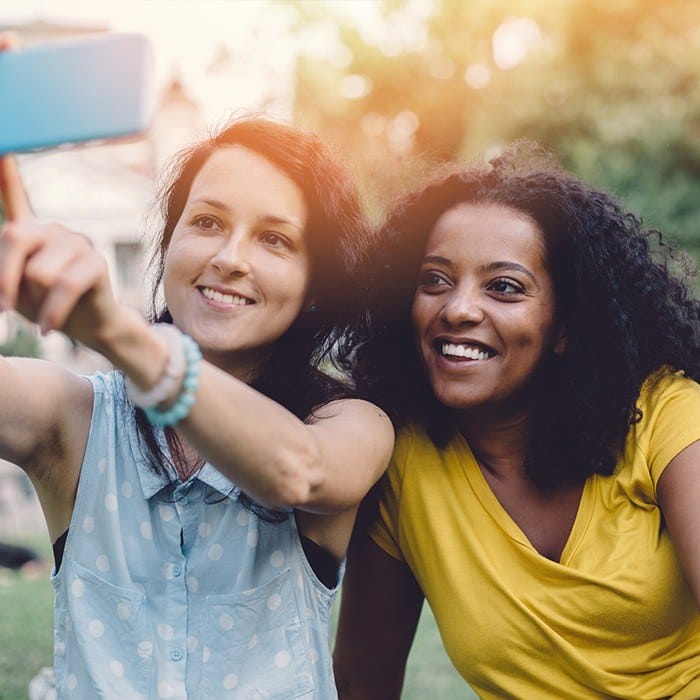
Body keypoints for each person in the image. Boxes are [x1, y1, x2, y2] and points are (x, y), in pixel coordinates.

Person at [0, 111, 393, 697]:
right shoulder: (73, 417)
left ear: (316, 288)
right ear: (170, 241)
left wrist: (117, 332)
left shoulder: (350, 423)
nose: (231, 258)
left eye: (275, 239)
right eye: (207, 222)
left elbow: (297, 470)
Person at [333, 143, 700, 699]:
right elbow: (363, 682)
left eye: (503, 287)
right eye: (435, 279)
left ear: (566, 327)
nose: (457, 308)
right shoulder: (401, 463)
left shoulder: (665, 415)